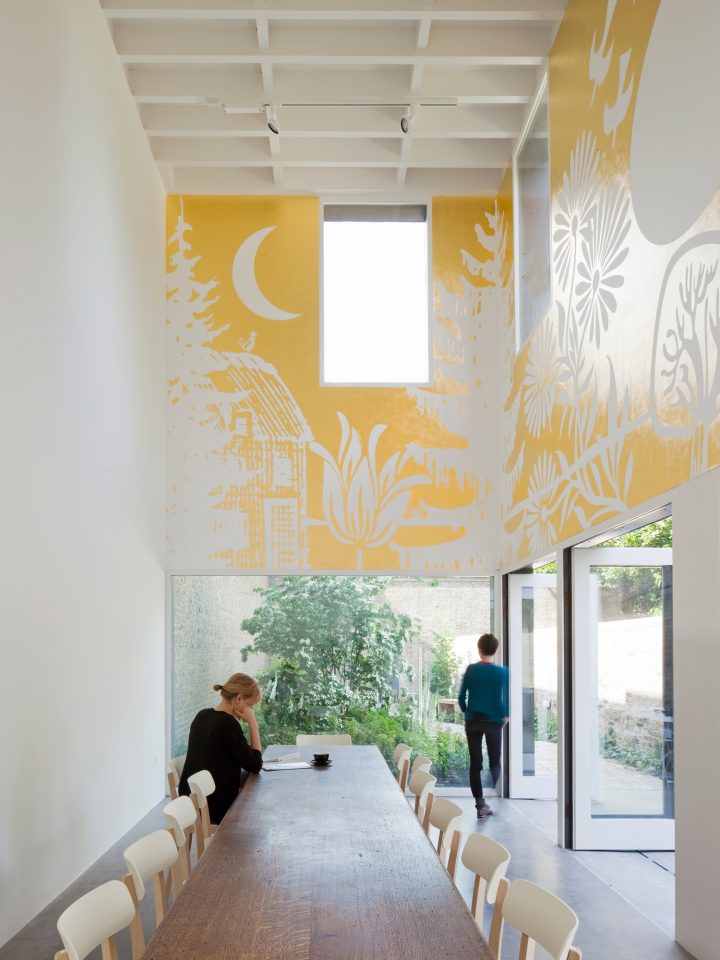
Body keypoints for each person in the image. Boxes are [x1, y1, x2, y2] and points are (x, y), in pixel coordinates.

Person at [179, 672, 263, 824]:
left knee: (247, 780)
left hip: (190, 800)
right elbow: (255, 765)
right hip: (213, 805)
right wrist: (253, 723)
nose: (250, 711)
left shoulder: (202, 715)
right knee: (255, 795)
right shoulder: (228, 724)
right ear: (238, 698)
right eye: (250, 705)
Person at [458, 633, 508, 819]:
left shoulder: (471, 670)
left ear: (479, 650)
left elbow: (461, 697)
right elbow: (505, 698)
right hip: (493, 722)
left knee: (475, 764)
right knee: (495, 762)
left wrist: (467, 711)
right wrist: (505, 714)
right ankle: (501, 794)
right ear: (495, 650)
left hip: (473, 722)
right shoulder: (502, 672)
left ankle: (480, 805)